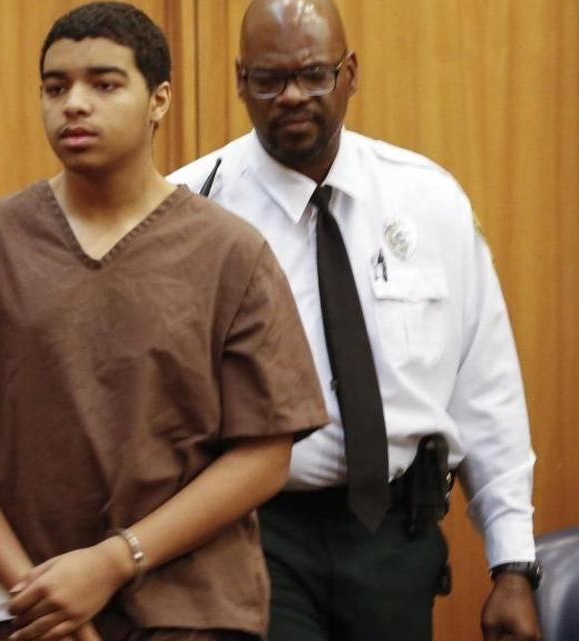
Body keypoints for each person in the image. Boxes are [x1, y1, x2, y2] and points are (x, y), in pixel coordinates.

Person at [0, 4, 327, 641]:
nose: (73, 104)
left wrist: (113, 561)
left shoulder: (231, 253)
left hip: (190, 610)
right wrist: (37, 597)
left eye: (104, 83)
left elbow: (265, 454)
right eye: (55, 86)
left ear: (159, 99)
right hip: (26, 610)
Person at [169, 2, 541, 640]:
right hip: (254, 535)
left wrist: (513, 565)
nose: (291, 96)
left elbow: (487, 389)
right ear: (239, 80)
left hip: (396, 535)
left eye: (314, 74)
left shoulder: (430, 200)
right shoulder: (188, 212)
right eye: (267, 79)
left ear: (351, 72)